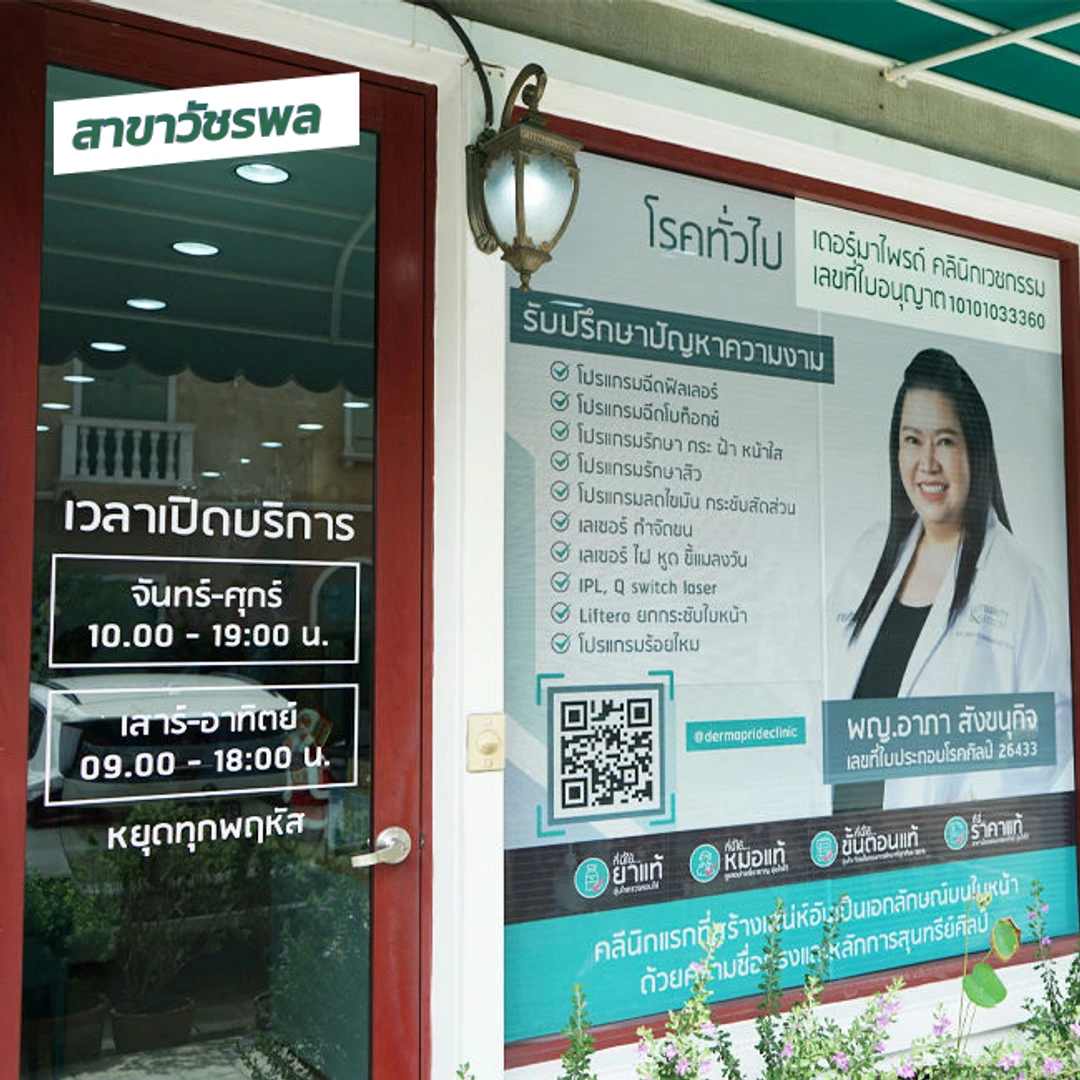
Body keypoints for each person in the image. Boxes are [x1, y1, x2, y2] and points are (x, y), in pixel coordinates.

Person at [827, 348, 1072, 810]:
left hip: (945, 845)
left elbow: (1055, 720)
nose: (927, 463)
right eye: (912, 440)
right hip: (843, 840)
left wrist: (980, 803)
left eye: (945, 441)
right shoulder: (867, 553)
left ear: (975, 450)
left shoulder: (1018, 580)